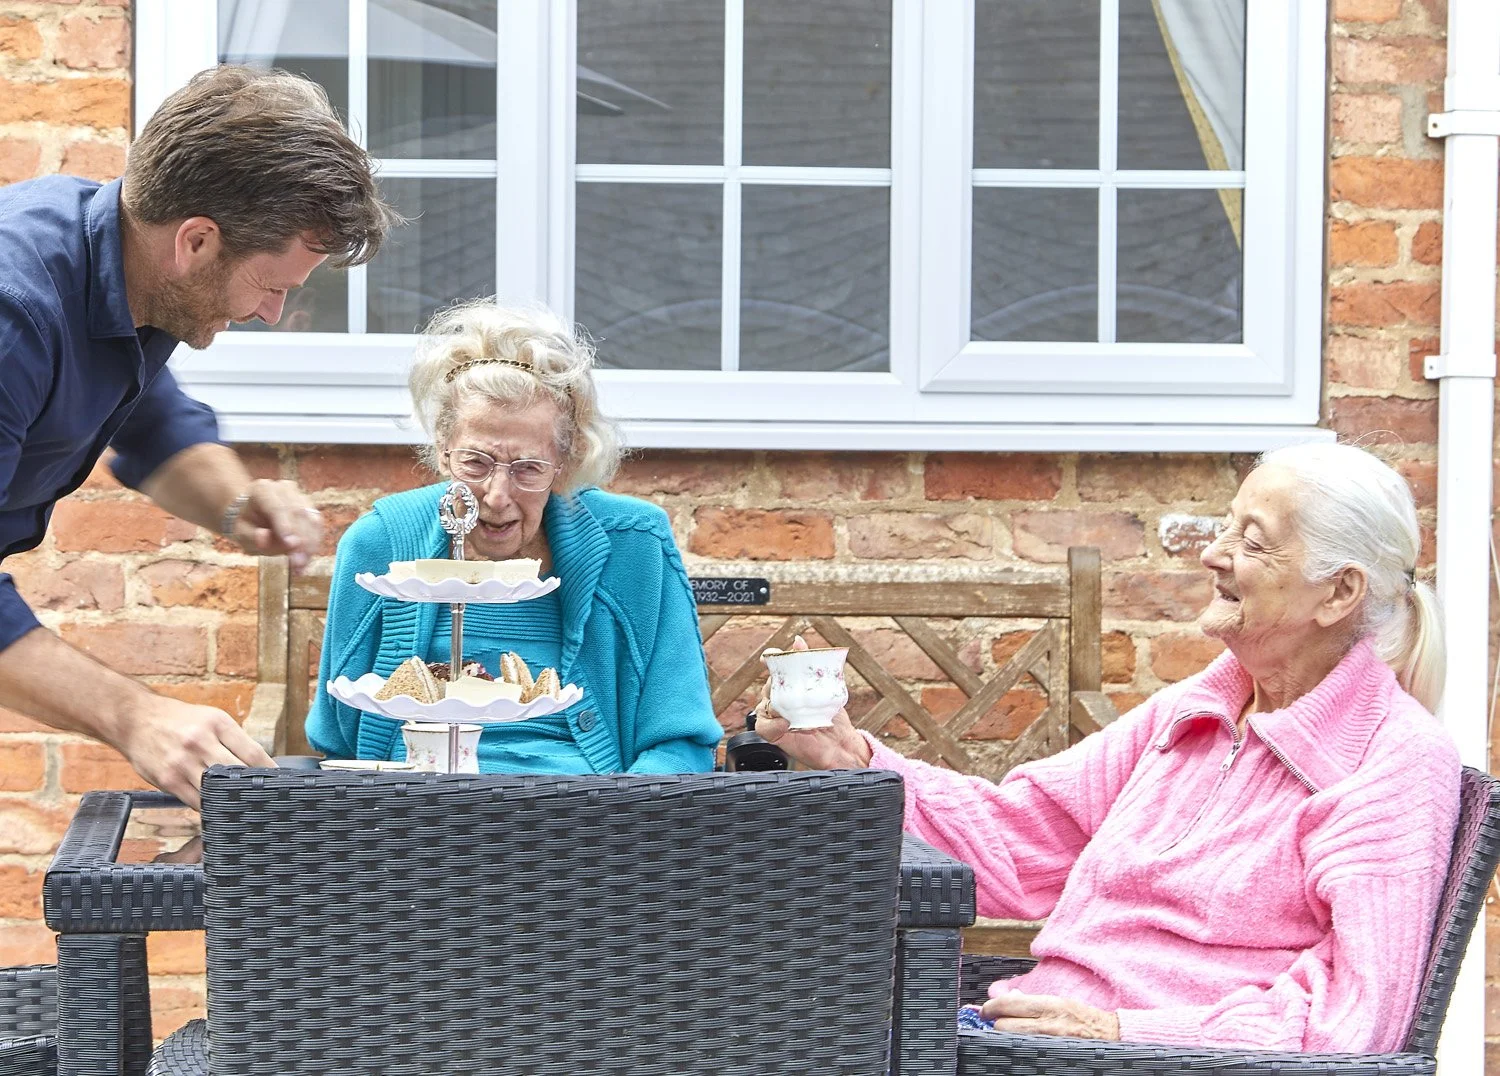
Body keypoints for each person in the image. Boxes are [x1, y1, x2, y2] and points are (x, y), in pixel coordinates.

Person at [755, 442, 1459, 1054]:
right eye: (1225, 528)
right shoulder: (1194, 713)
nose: (1213, 554)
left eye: (1252, 540)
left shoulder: (1390, 763)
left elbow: (1356, 1023)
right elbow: (1020, 837)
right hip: (1032, 1041)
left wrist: (1126, 1034)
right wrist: (853, 759)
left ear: (1338, 593)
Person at [0, 65, 399, 808]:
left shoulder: (127, 266)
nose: (273, 313)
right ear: (197, 241)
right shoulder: (13, 315)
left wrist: (234, 502)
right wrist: (137, 716)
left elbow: (153, 421)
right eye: (273, 285)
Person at [308, 300, 723, 774]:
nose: (498, 496)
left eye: (528, 468)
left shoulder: (634, 545)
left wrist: (613, 823)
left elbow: (682, 744)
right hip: (415, 821)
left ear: (565, 463)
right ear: (442, 450)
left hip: (584, 823)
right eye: (476, 463)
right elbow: (337, 742)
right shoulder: (380, 544)